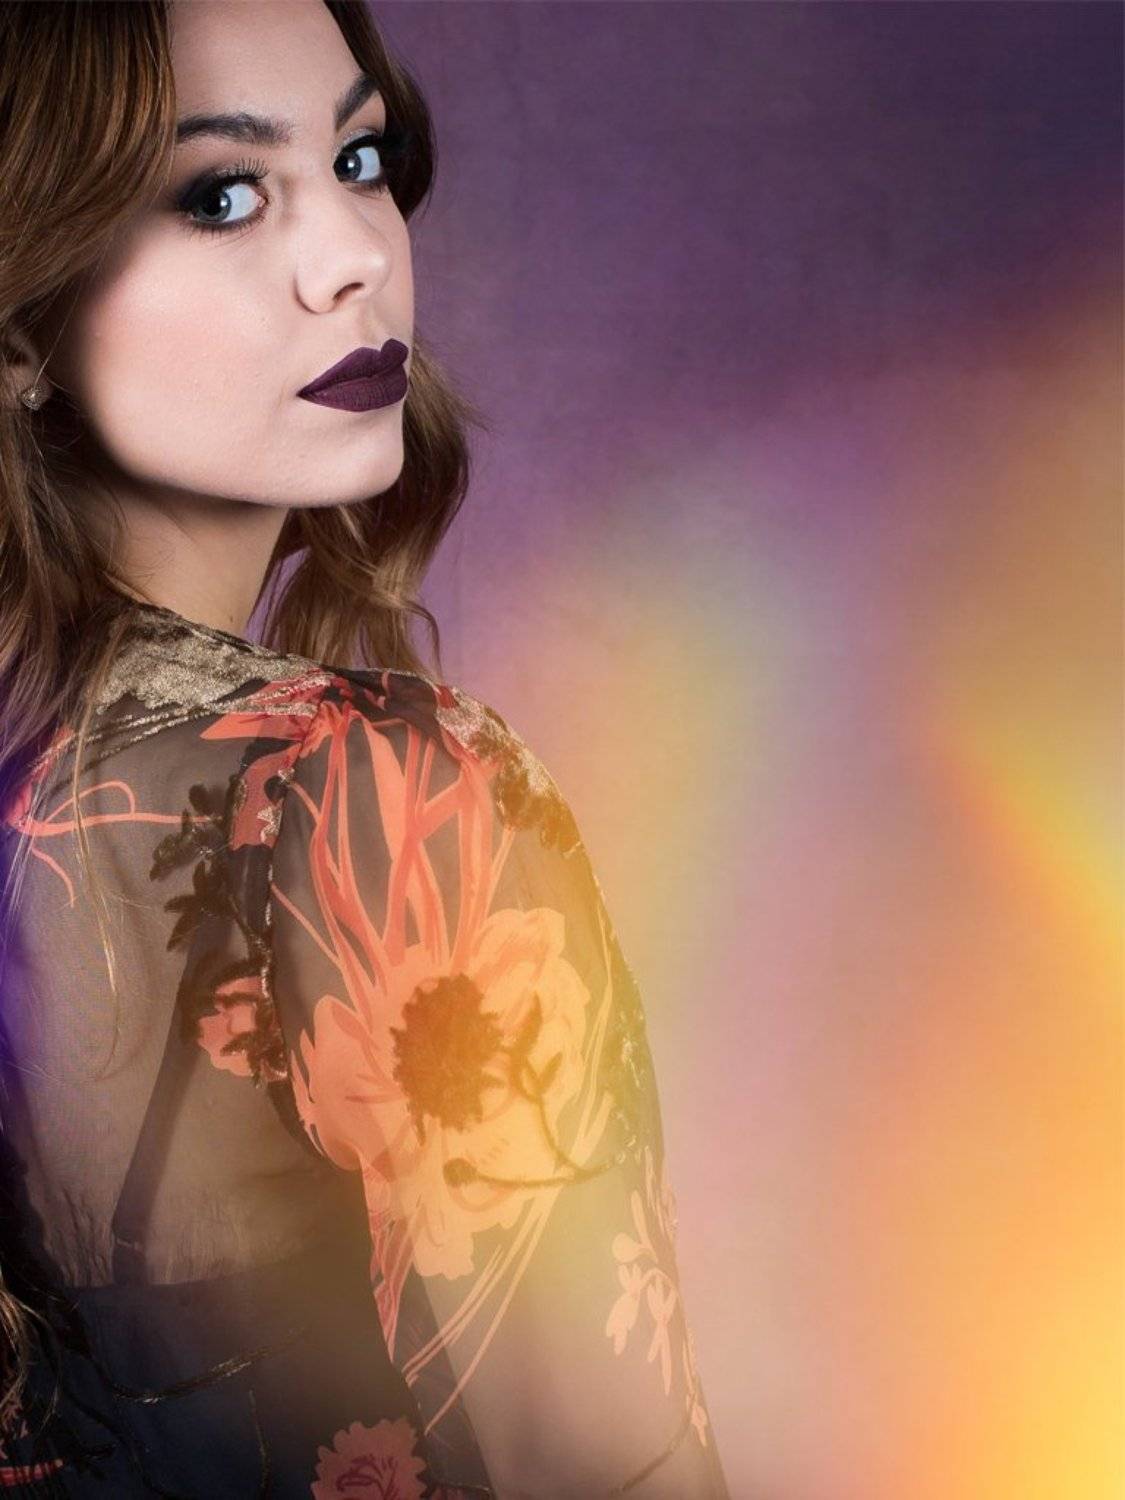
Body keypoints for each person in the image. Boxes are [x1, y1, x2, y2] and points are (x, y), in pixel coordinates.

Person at [0, 2, 730, 1495]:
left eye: (358, 158)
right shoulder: (371, 794)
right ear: (22, 324)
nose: (353, 255)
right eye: (220, 194)